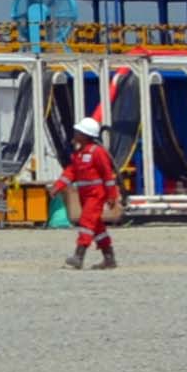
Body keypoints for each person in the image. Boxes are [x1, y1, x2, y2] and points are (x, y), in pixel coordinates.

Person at [61, 116, 120, 271]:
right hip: (84, 196)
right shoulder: (78, 155)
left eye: (78, 131)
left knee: (87, 223)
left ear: (86, 135)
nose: (75, 134)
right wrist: (57, 186)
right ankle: (109, 258)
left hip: (96, 195)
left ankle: (78, 256)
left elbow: (108, 176)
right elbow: (71, 172)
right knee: (97, 227)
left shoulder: (98, 153)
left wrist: (112, 195)